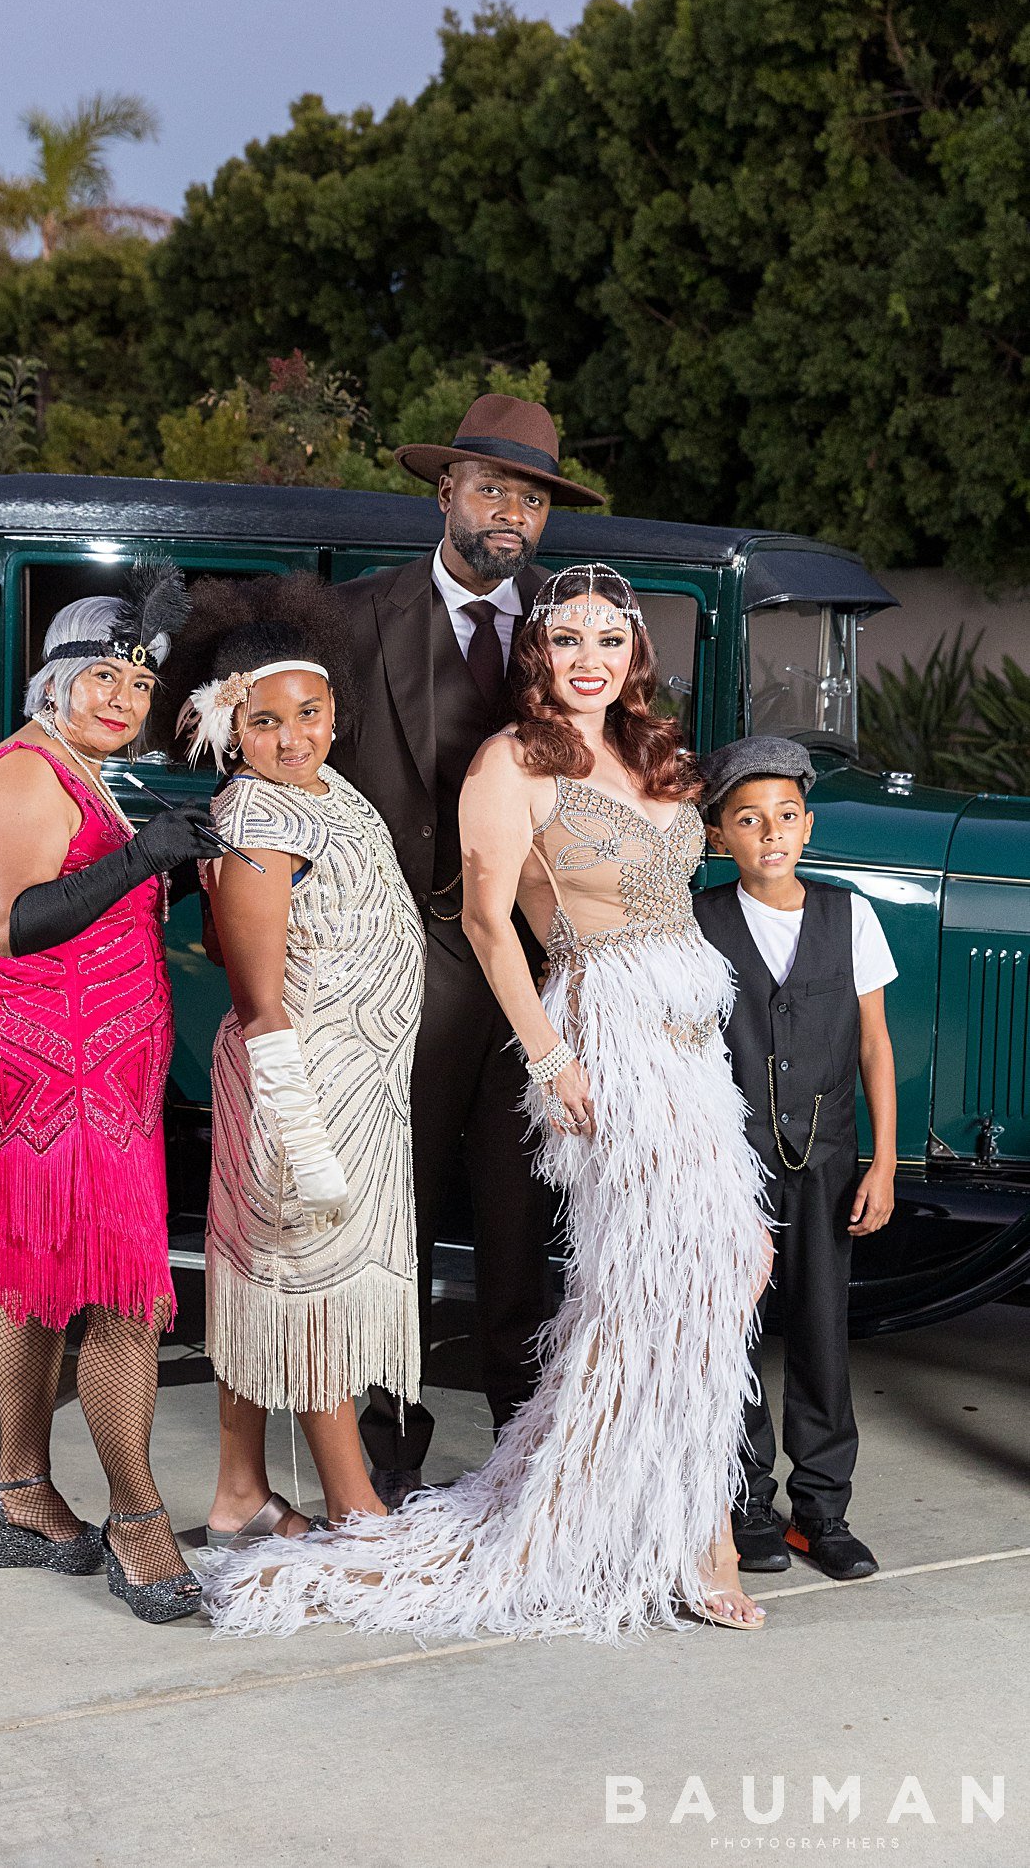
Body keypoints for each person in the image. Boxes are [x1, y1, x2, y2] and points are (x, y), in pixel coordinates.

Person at [198, 564, 772, 1639]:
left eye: (611, 640)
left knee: (732, 1269)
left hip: (695, 1046)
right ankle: (655, 1528)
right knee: (647, 1282)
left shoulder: (658, 753)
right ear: (539, 654)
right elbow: (490, 923)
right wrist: (553, 1058)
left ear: (634, 654)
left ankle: (688, 1511)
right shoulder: (514, 761)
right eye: (569, 642)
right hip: (608, 1037)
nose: (590, 661)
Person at [330, 393, 606, 1506]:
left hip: (534, 969)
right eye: (492, 488)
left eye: (531, 499)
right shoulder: (355, 620)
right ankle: (385, 1451)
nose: (512, 515)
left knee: (516, 1210)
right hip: (399, 961)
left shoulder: (575, 626)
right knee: (393, 1206)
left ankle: (519, 1446)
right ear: (444, 491)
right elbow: (288, 782)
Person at [0, 565, 215, 1624]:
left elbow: (107, 912)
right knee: (121, 1300)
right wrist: (139, 860)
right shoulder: (21, 774)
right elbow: (14, 925)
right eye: (102, 675)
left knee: (36, 1286)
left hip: (91, 1074)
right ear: (51, 684)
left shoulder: (78, 772)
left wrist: (175, 869)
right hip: (61, 1079)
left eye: (140, 684)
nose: (123, 696)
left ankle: (20, 1492)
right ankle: (139, 1520)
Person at [158, 574, 425, 1547]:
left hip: (357, 1083)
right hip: (300, 1091)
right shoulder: (262, 823)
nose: (293, 738)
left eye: (309, 714)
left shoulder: (323, 791)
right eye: (265, 724)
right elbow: (257, 998)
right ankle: (358, 1510)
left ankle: (239, 1492)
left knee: (264, 1286)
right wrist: (302, 1140)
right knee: (310, 1294)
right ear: (231, 729)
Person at [693, 737, 897, 1582]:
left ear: (807, 826)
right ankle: (747, 1501)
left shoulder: (849, 915)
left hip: (828, 1160)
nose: (769, 833)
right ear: (718, 838)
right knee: (732, 1331)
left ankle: (822, 1508)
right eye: (748, 820)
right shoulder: (699, 922)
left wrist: (883, 1162)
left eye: (783, 817)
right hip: (729, 1165)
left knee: (819, 1328)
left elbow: (876, 1046)